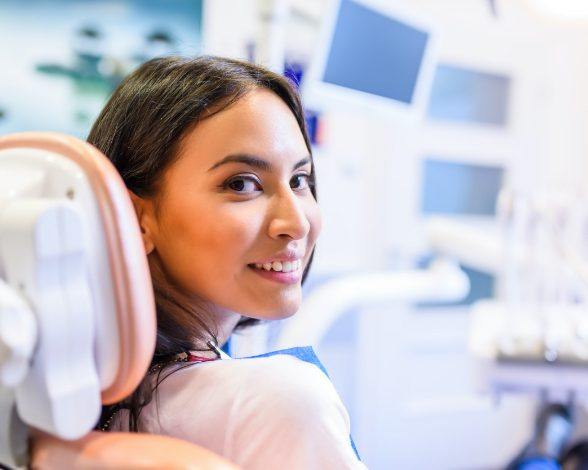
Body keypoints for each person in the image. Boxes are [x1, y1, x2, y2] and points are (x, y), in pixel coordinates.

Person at [88, 55, 365, 469]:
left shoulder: (88, 403)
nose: (295, 222)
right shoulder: (277, 402)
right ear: (135, 216)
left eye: (299, 181)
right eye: (242, 184)